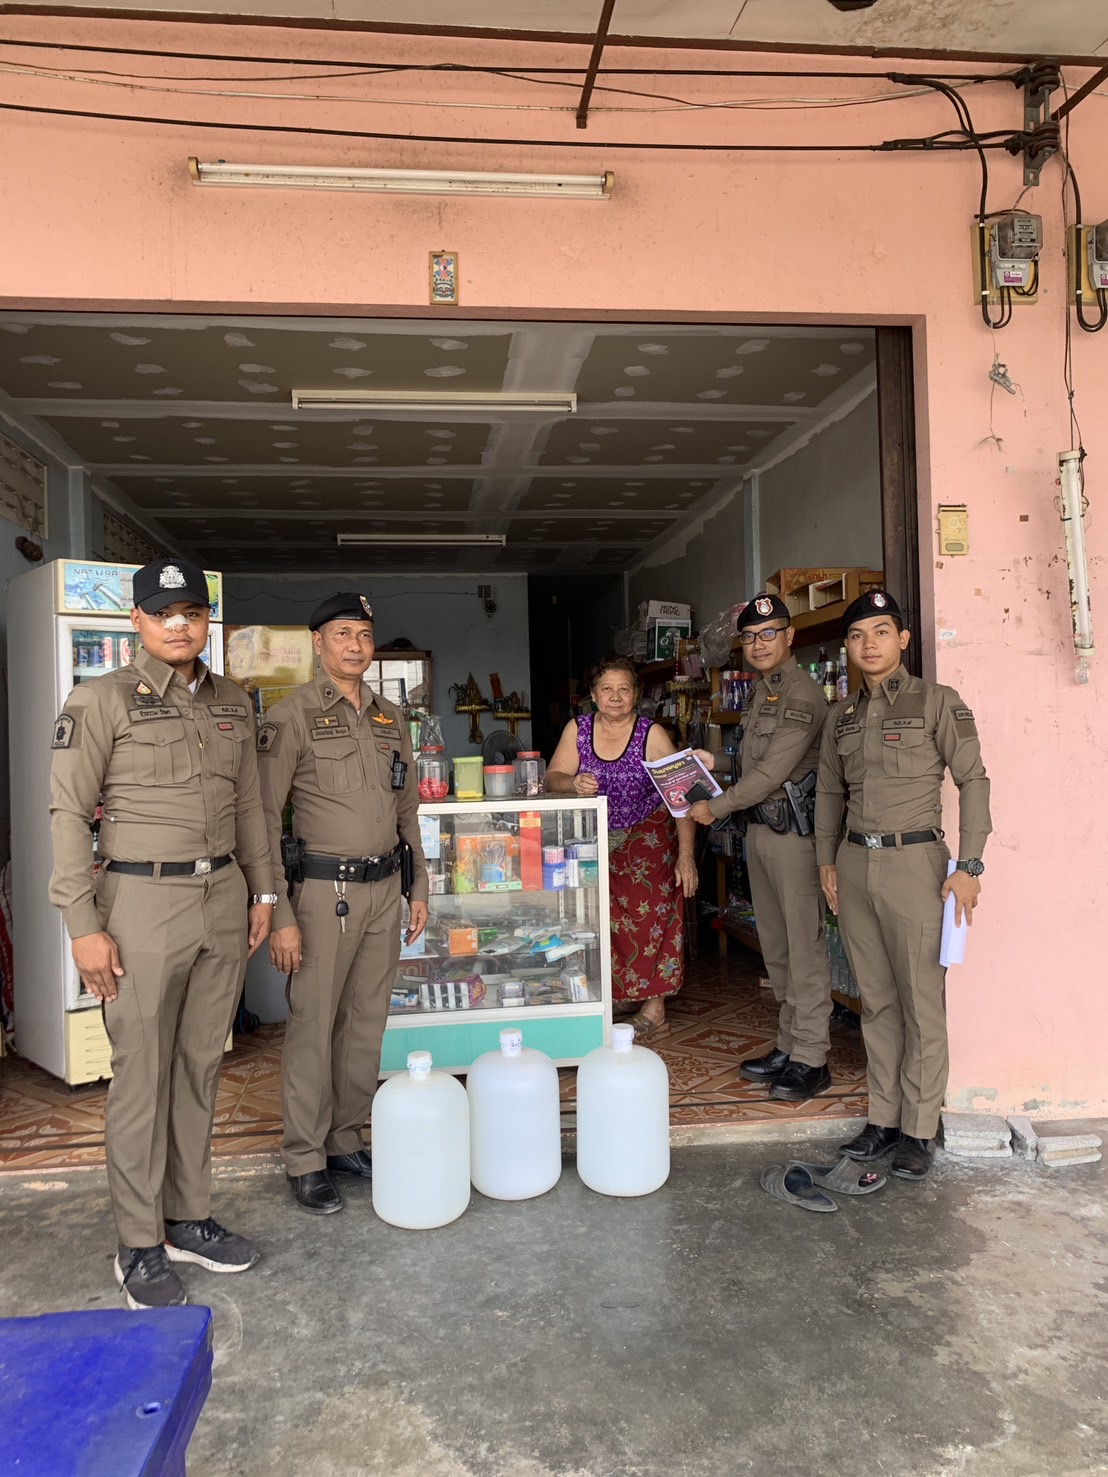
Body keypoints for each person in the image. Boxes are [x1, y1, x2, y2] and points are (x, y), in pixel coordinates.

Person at [49, 557, 274, 1309]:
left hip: (222, 897)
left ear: (207, 620)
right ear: (137, 620)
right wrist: (83, 925)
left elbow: (251, 807)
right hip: (140, 901)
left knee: (200, 1064)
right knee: (142, 1073)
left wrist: (263, 892)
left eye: (192, 612)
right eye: (162, 612)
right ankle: (138, 1241)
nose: (178, 624)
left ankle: (187, 1216)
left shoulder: (233, 701)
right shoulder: (100, 699)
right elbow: (67, 815)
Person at [257, 592, 428, 1215]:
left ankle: (345, 1140)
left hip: (384, 890)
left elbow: (406, 808)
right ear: (318, 643)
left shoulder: (389, 717)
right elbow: (262, 819)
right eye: (342, 634)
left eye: (363, 634)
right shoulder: (292, 715)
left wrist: (417, 884)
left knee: (364, 1024)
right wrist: (279, 913)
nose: (356, 646)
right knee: (313, 1025)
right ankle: (305, 1157)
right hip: (322, 895)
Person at [815, 590, 991, 1179]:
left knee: (920, 1003)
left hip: (917, 865)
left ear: (903, 639)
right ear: (847, 645)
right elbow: (830, 792)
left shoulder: (937, 702)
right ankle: (882, 1120)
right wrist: (826, 862)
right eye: (858, 635)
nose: (869, 644)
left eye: (882, 632)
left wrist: (970, 866)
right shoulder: (841, 716)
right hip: (855, 864)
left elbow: (974, 781)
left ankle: (918, 1129)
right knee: (876, 1001)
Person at [688, 593, 833, 1102]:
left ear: (790, 637)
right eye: (749, 637)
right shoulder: (761, 691)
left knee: (804, 949)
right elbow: (755, 763)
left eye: (769, 634)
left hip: (794, 838)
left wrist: (717, 806)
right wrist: (718, 763)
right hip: (761, 831)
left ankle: (812, 1058)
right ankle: (789, 1046)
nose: (758, 644)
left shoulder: (802, 694)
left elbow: (773, 773)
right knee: (777, 949)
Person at [545, 656, 698, 1039]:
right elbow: (552, 777)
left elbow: (684, 796)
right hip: (595, 844)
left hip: (648, 844)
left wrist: (686, 856)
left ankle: (655, 1007)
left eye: (624, 689)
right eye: (607, 689)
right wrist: (571, 783)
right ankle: (618, 997)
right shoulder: (578, 729)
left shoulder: (653, 734)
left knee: (652, 922)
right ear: (593, 695)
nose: (615, 697)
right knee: (601, 922)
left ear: (636, 695)